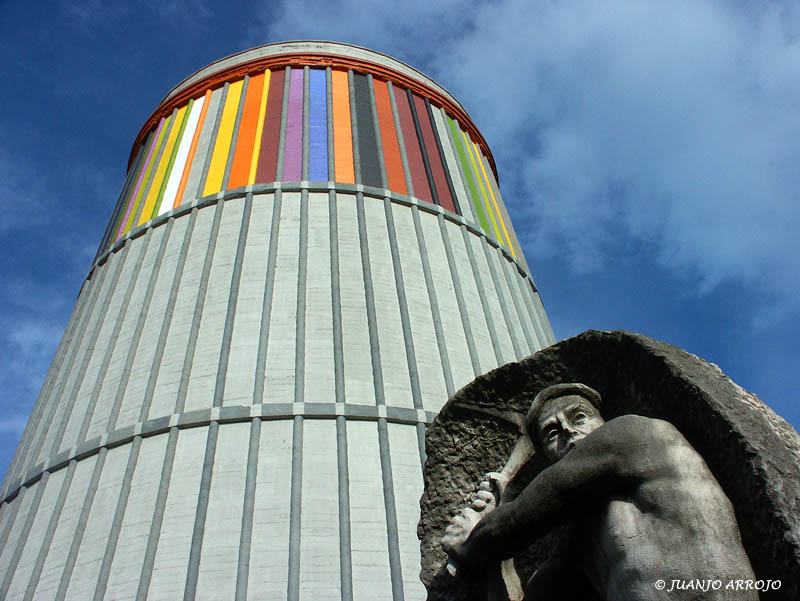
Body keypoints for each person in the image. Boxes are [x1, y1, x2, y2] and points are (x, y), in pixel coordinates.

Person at [441, 383, 757, 600]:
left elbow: (515, 522)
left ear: (602, 420)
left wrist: (476, 537)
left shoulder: (633, 433)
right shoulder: (578, 545)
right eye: (552, 432)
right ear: (549, 456)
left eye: (578, 416)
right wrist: (497, 551)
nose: (568, 431)